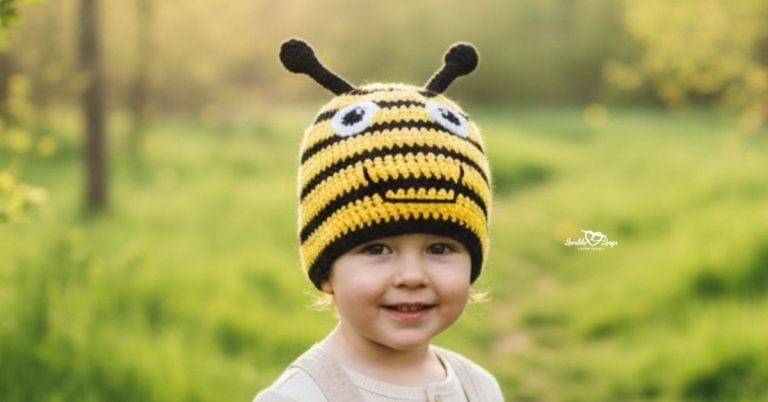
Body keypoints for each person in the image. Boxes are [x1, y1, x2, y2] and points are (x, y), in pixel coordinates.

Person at [254, 38, 503, 402]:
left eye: (439, 247)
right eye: (377, 248)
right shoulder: (301, 397)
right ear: (326, 270)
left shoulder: (479, 388)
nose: (413, 277)